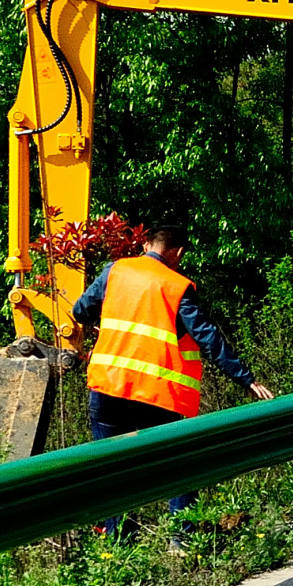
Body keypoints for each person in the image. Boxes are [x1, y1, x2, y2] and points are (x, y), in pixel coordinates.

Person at [72, 224, 275, 536]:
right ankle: (180, 539)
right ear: (178, 252)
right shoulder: (176, 285)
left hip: (108, 385)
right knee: (176, 465)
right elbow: (207, 337)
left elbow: (80, 311)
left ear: (145, 244)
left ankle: (117, 543)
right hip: (155, 394)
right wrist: (245, 379)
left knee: (111, 469)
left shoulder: (115, 271)